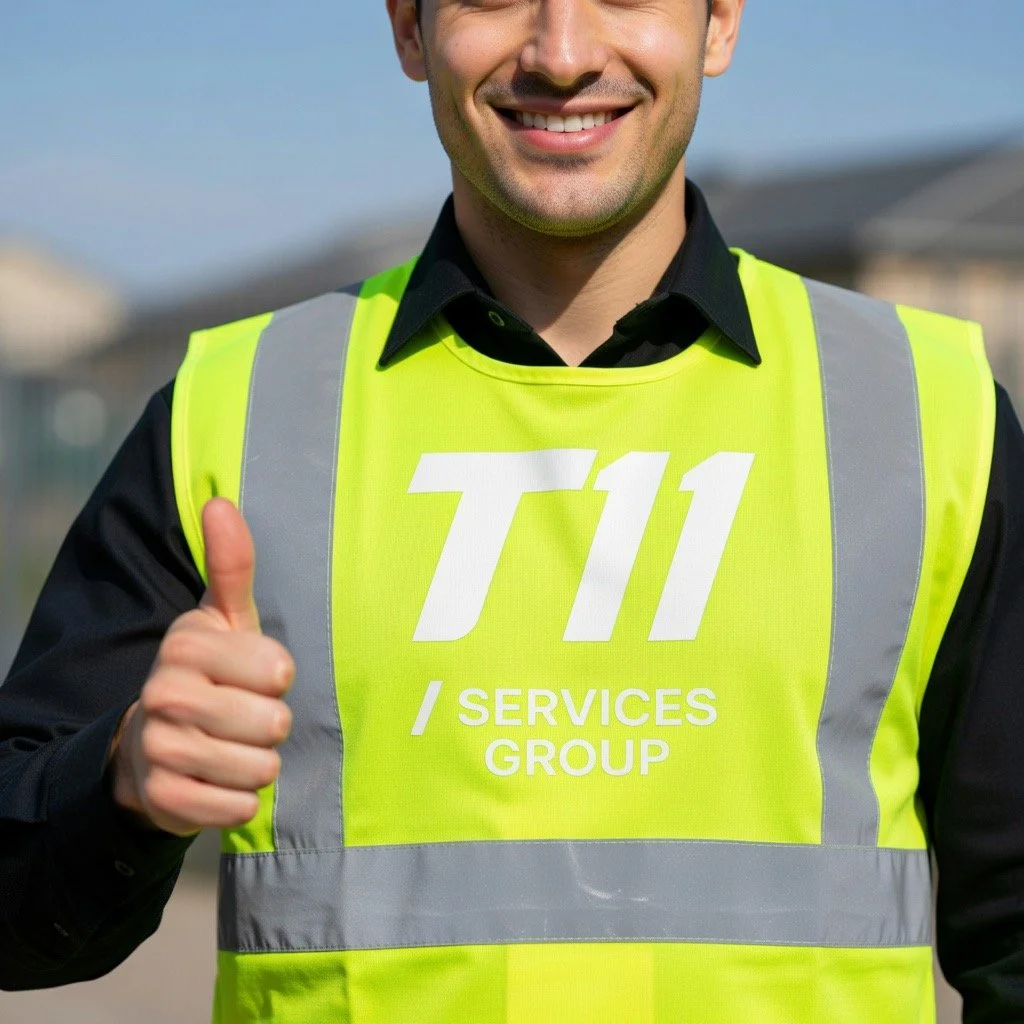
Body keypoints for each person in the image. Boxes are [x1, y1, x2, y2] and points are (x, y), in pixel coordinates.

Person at [1, 0, 1022, 1020]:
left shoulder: (929, 409)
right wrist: (122, 781)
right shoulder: (232, 404)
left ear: (718, 23)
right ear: (409, 30)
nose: (563, 53)